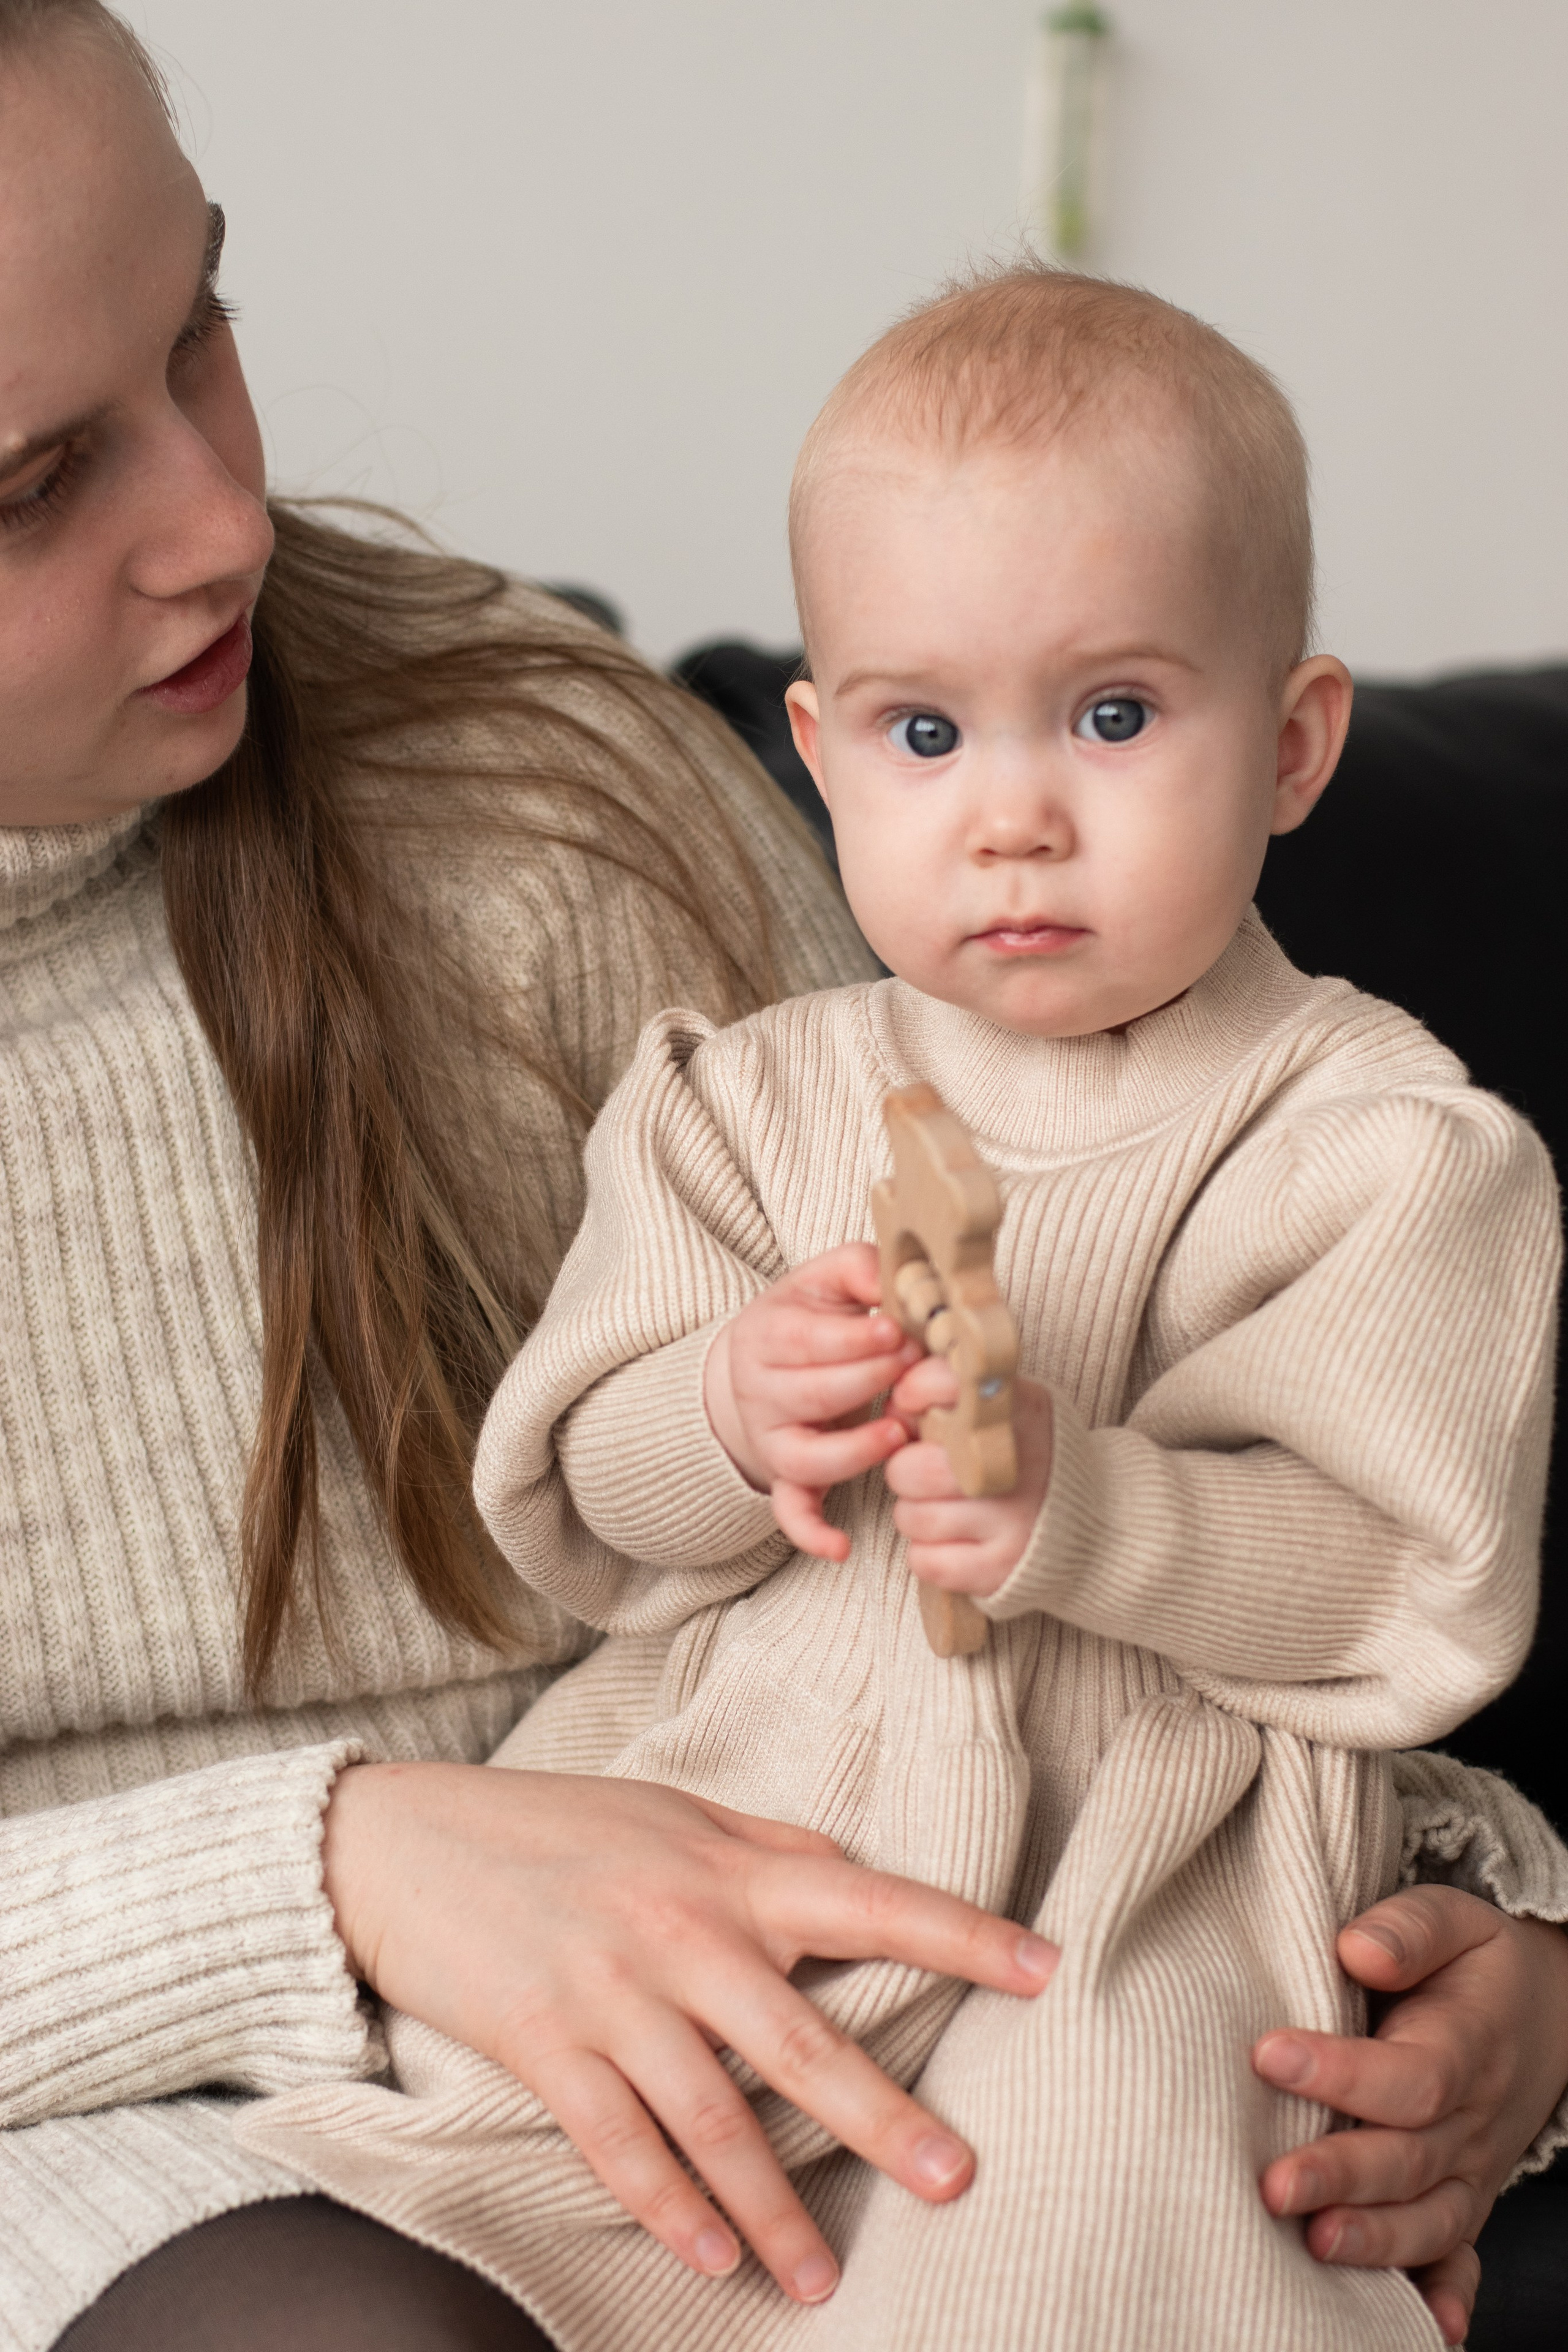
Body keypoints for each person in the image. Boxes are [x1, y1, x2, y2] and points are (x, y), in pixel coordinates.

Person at [0, 4, 1561, 2347]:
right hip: (197, 2102)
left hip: (847, 1948)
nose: (233, 520)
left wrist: (1508, 1958)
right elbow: (617, 1462)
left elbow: (1323, 1613)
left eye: (203, 322)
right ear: (844, 747)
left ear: (1291, 742)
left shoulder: (549, 807)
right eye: (30, 483)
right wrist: (333, 1869)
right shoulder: (755, 1107)